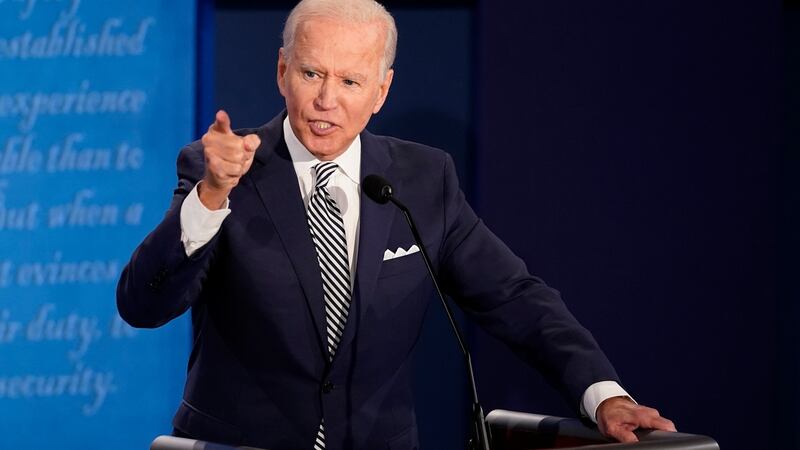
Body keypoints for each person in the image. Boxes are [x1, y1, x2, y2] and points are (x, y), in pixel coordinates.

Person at [116, 0, 676, 449]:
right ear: (283, 70)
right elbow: (143, 305)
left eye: (351, 82)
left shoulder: (423, 180)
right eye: (311, 73)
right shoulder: (222, 168)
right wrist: (213, 194)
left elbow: (515, 298)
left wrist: (603, 396)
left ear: (382, 91)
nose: (325, 100)